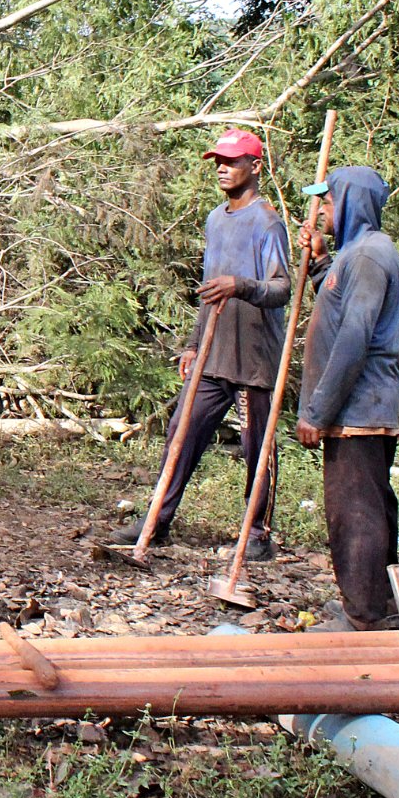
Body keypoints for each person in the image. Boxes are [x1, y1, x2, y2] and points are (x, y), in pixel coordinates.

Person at [109, 128, 290, 557]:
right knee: (181, 432)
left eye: (231, 162)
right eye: (218, 162)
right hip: (212, 352)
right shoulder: (214, 219)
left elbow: (281, 289)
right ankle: (157, 518)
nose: (223, 169)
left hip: (254, 358)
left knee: (256, 445)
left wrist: (242, 285)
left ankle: (258, 535)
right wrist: (192, 344)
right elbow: (210, 291)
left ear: (255, 166)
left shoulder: (268, 223)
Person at [293, 166, 399, 631]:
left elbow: (354, 338)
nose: (321, 211)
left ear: (351, 203)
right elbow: (340, 310)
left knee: (355, 513)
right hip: (358, 407)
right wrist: (321, 263)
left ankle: (363, 617)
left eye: (328, 202)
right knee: (371, 505)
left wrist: (318, 411)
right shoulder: (353, 256)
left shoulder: (367, 257)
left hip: (359, 408)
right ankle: (380, 603)